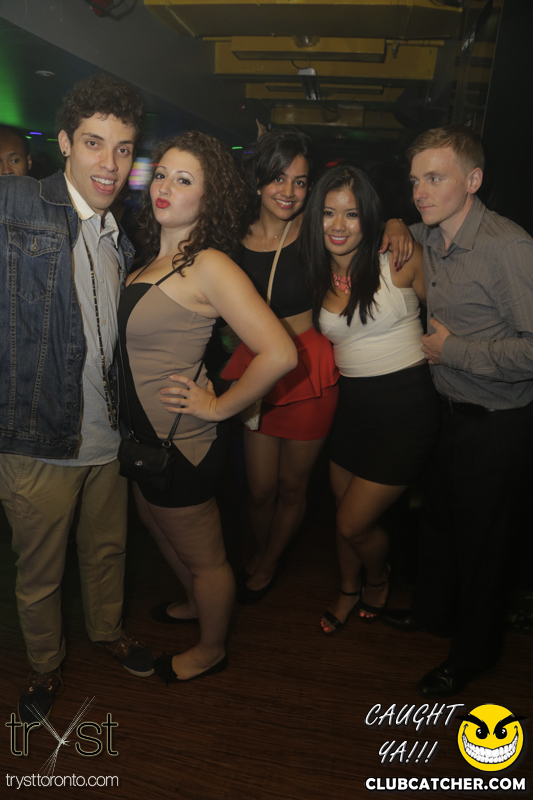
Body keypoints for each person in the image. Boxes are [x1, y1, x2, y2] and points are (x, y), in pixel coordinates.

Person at [0, 74, 154, 727]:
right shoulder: (18, 202)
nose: (110, 163)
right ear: (63, 143)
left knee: (106, 550)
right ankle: (44, 666)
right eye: (94, 143)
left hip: (106, 438)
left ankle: (107, 631)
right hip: (36, 440)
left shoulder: (119, 233)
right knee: (40, 573)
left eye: (123, 148)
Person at [118, 131, 296, 683]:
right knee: (155, 524)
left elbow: (280, 352)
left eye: (184, 179)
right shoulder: (151, 259)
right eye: (161, 174)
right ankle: (198, 603)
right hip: (143, 437)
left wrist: (219, 407)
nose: (165, 186)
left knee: (207, 558)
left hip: (182, 442)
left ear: (209, 196)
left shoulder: (210, 264)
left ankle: (212, 648)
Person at [221, 130, 414, 604]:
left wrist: (396, 221)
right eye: (277, 178)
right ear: (258, 180)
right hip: (257, 368)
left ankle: (269, 563)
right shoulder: (232, 234)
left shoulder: (314, 228)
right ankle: (263, 549)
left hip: (309, 368)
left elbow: (359, 216)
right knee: (260, 489)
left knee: (292, 486)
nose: (288, 191)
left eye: (301, 181)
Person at [381, 126, 533, 697]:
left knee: (484, 547)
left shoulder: (508, 247)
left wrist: (456, 351)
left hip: (495, 424)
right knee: (439, 525)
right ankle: (432, 616)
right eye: (415, 179)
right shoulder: (428, 232)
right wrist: (395, 221)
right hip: (445, 413)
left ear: (473, 181)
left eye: (434, 178)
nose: (420, 191)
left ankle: (472, 656)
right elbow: (400, 226)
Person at [300, 164, 440, 632]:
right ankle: (347, 588)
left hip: (405, 412)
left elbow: (452, 315)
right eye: (328, 213)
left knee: (351, 523)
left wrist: (399, 224)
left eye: (352, 213)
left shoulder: (398, 259)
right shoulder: (316, 273)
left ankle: (378, 579)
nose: (338, 225)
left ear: (369, 218)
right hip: (352, 410)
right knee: (342, 512)